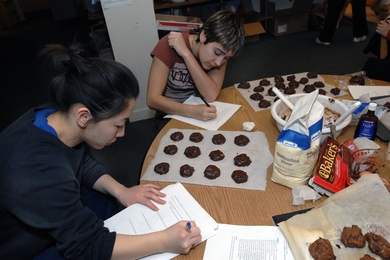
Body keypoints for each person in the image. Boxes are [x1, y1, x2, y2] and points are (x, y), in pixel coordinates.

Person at [0, 43, 201, 259]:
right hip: (27, 246)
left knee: (115, 206)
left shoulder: (57, 118)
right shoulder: (36, 166)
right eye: (118, 124)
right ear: (84, 116)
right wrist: (165, 241)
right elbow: (86, 246)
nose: (123, 133)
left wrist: (122, 191)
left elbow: (80, 161)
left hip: (53, 206)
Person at [147, 9, 245, 129]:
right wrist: (190, 111)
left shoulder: (220, 57)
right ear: (204, 36)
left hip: (201, 112)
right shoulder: (168, 45)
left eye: (227, 58)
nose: (219, 63)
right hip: (170, 114)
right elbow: (152, 99)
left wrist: (187, 55)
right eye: (217, 52)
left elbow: (211, 95)